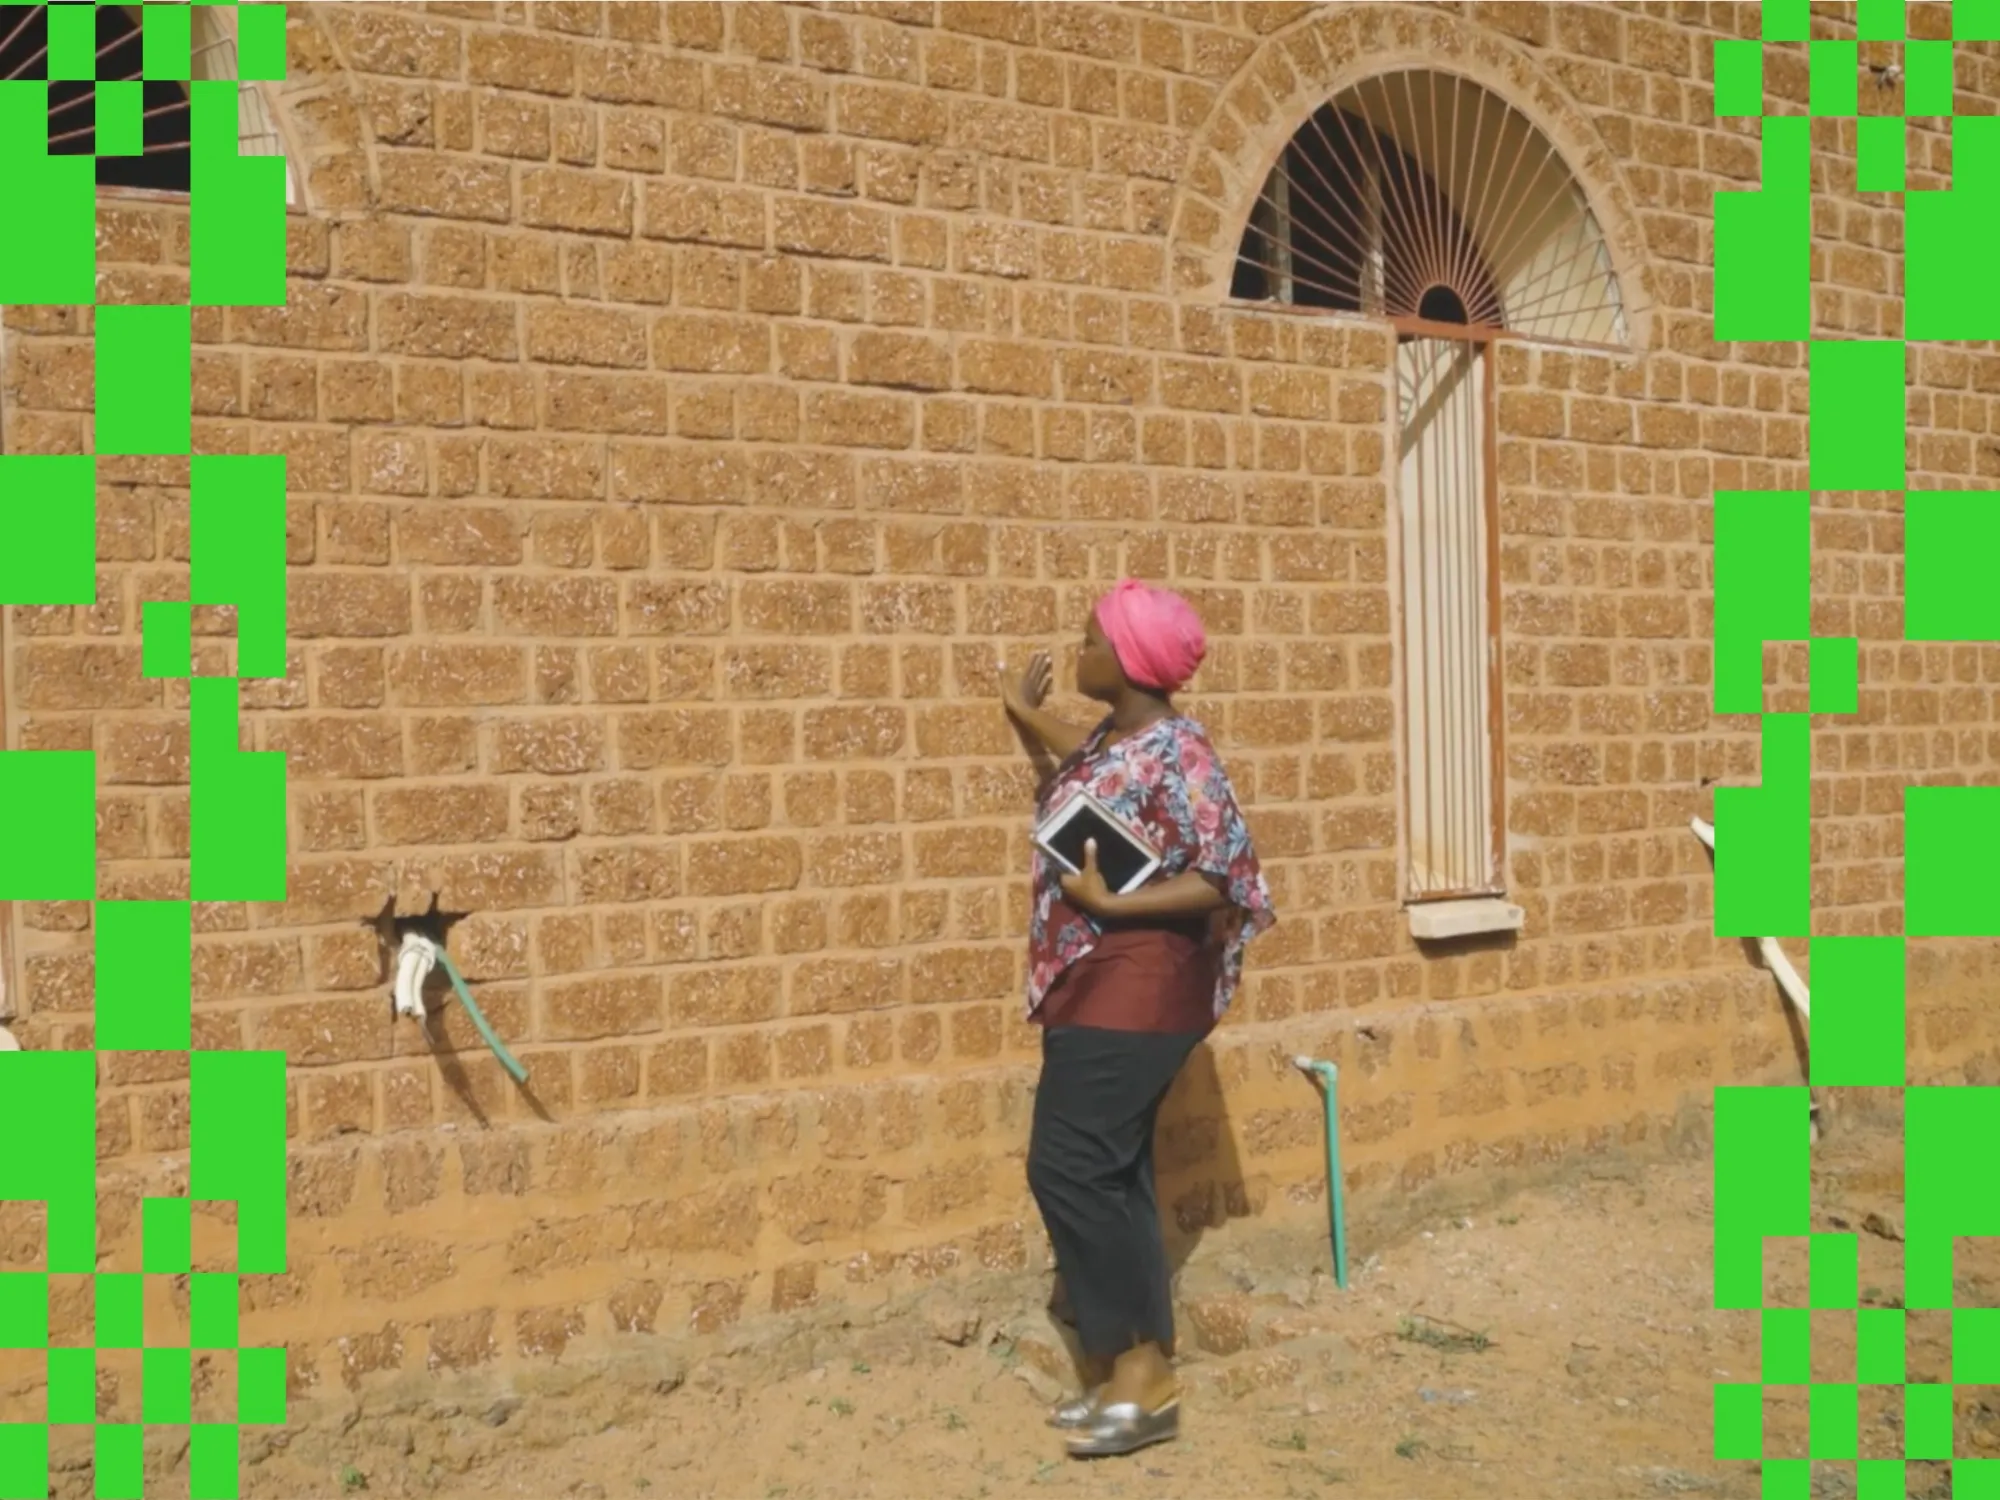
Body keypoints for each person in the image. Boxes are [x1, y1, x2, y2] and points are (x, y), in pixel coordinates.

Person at [998, 578, 1275, 1460]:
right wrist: (1023, 716)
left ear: (1127, 659)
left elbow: (1232, 877)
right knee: (1110, 1172)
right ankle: (1130, 1376)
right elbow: (1091, 770)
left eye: (1088, 641)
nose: (1075, 652)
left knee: (1069, 1165)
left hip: (1142, 983)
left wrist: (1112, 905)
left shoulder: (1182, 751)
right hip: (1097, 982)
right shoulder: (1119, 741)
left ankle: (1145, 1376)